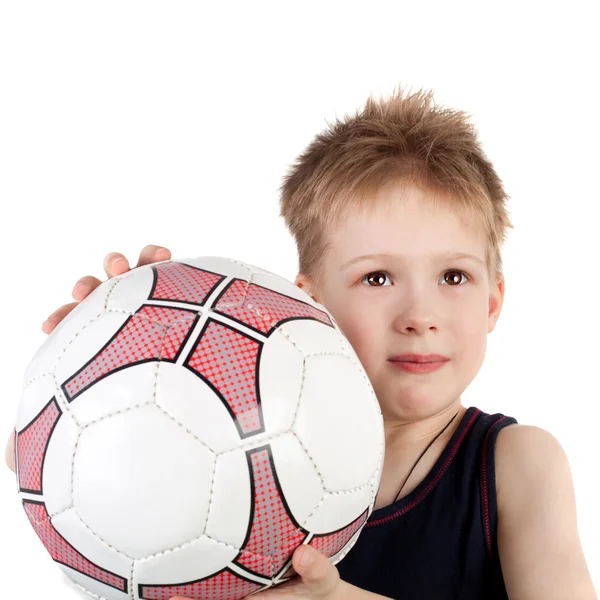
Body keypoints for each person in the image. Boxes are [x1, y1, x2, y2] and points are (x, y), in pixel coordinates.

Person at [6, 86, 597, 600]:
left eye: (453, 277)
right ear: (308, 307)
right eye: (377, 278)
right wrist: (92, 393)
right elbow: (71, 521)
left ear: (494, 301)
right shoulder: (222, 449)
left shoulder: (517, 464)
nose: (420, 315)